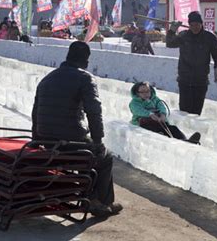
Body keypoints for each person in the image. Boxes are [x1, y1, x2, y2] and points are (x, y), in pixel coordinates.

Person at [32, 41, 122, 217]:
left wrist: (36, 140)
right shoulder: (85, 78)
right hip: (69, 141)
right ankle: (100, 202)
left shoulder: (47, 79)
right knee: (104, 156)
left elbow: (35, 112)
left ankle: (91, 195)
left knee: (88, 148)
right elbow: (94, 112)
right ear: (86, 61)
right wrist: (98, 140)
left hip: (46, 140)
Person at [166, 11, 217, 115]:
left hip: (200, 80)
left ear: (201, 24)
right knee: (184, 111)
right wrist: (172, 31)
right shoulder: (183, 36)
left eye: (197, 24)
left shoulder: (209, 37)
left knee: (196, 112)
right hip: (184, 79)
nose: (194, 27)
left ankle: (195, 130)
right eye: (192, 25)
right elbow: (170, 44)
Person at [129, 82, 201, 144]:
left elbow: (161, 106)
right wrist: (150, 114)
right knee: (155, 131)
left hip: (159, 121)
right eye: (142, 92)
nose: (146, 94)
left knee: (173, 129)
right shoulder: (135, 102)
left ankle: (185, 140)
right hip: (144, 123)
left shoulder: (155, 99)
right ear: (137, 93)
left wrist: (163, 114)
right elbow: (138, 110)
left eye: (147, 91)